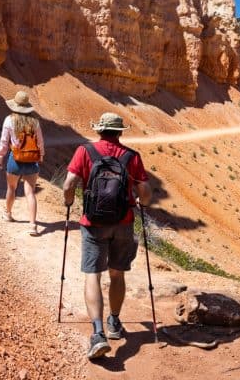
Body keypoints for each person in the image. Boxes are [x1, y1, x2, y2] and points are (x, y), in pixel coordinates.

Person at [62, 112, 151, 360]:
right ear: (120, 132)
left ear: (99, 130)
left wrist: (69, 202)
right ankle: (114, 322)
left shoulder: (85, 151)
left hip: (92, 223)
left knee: (93, 274)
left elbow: (69, 184)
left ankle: (98, 333)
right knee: (117, 274)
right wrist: (143, 204)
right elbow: (144, 189)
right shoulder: (131, 157)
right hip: (123, 223)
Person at [0, 90, 45, 235]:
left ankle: (8, 214)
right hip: (31, 161)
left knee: (11, 188)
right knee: (30, 192)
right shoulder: (35, 122)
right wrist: (40, 156)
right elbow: (40, 142)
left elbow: (4, 142)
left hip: (14, 159)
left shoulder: (9, 120)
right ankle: (33, 225)